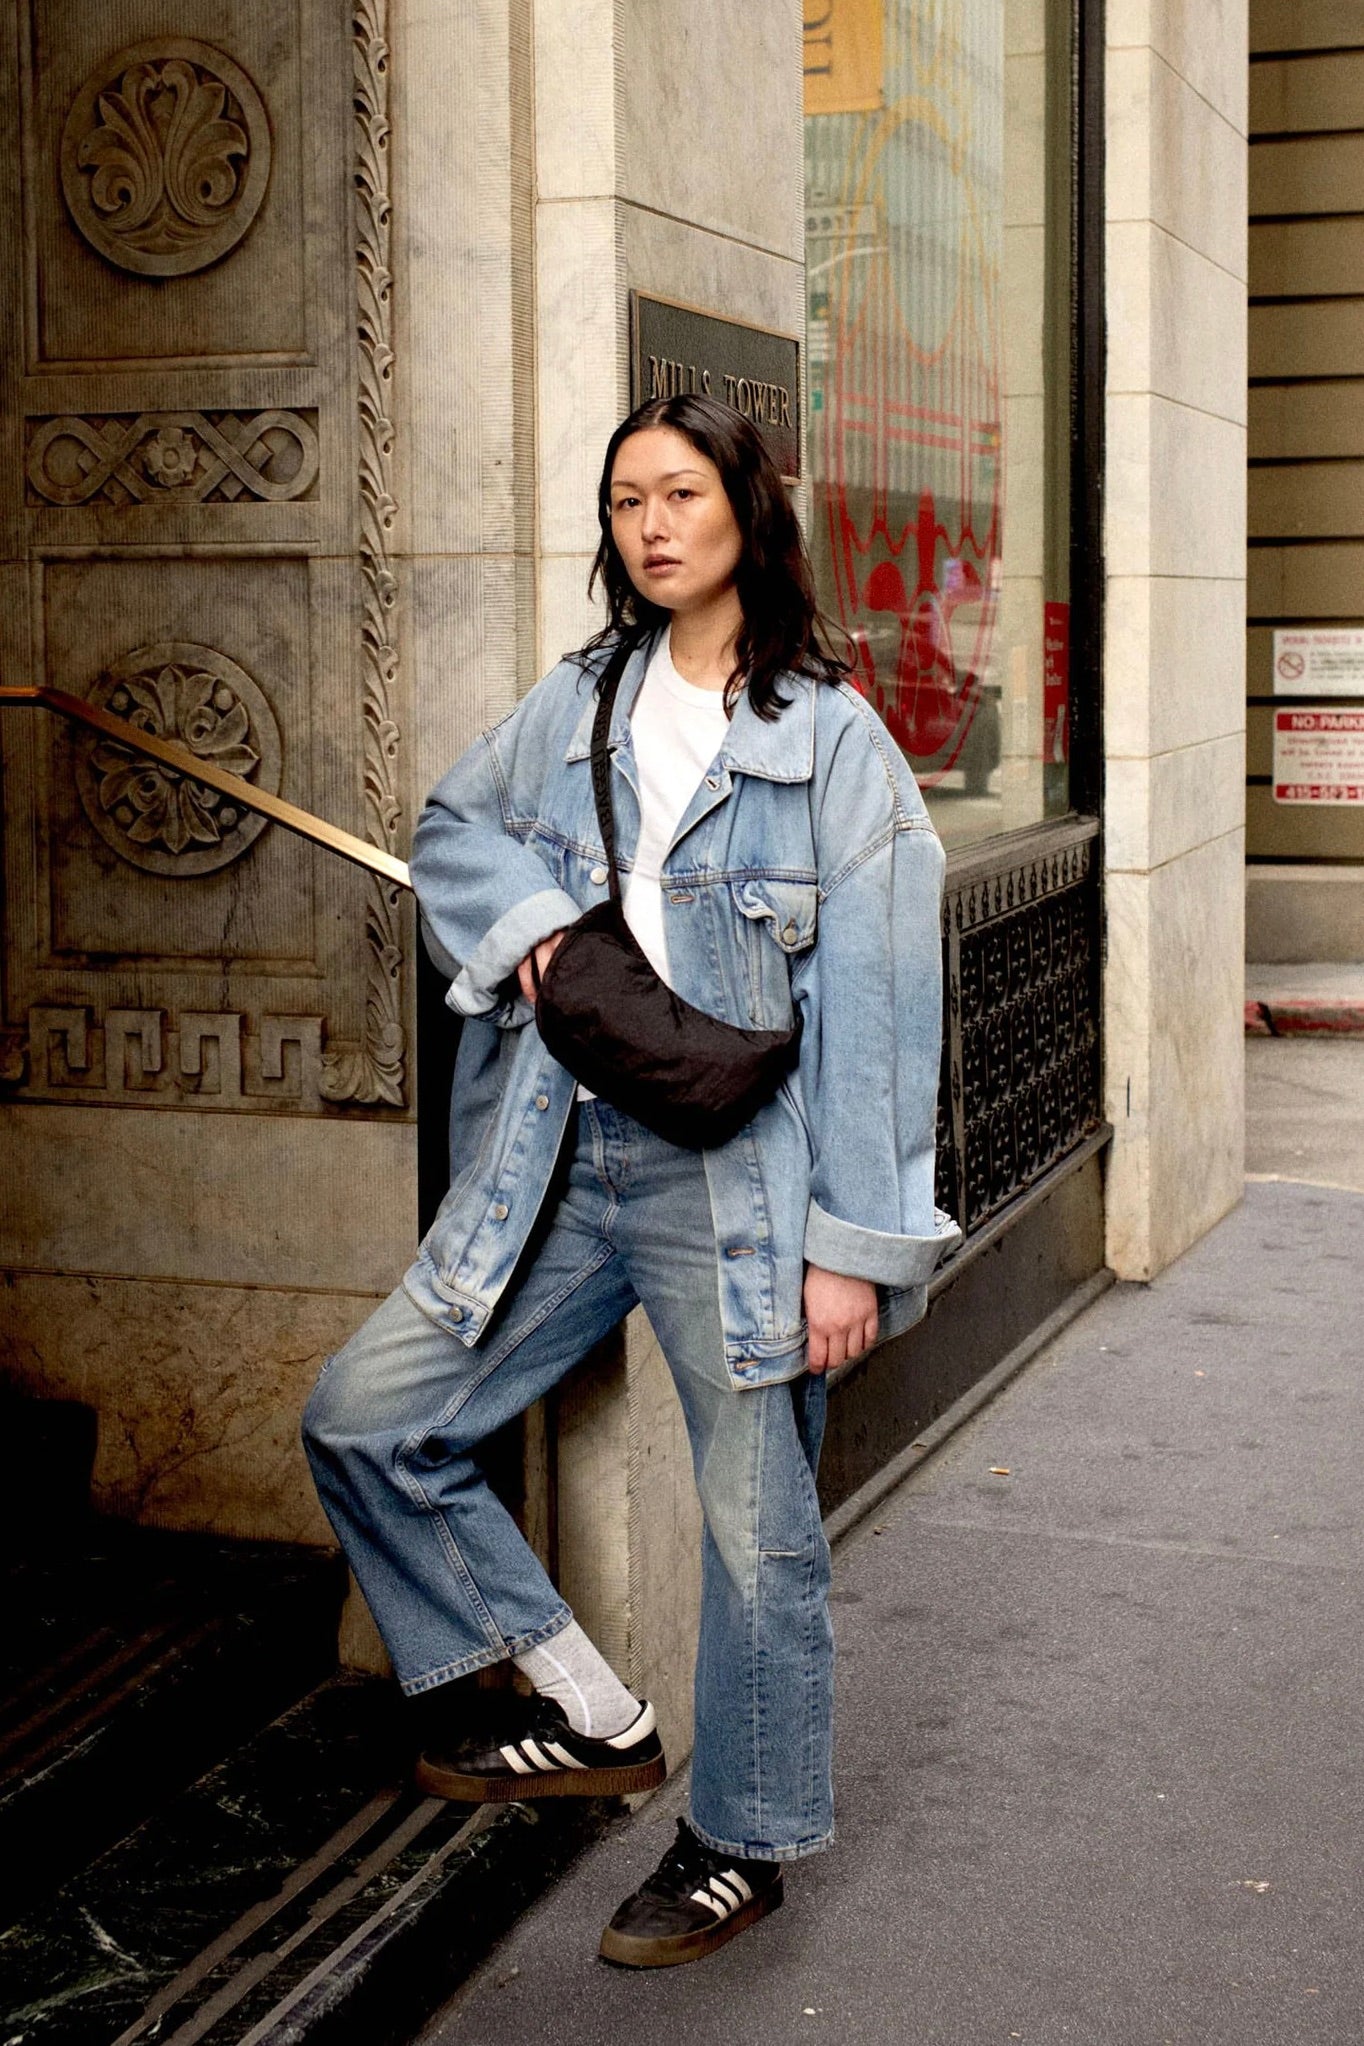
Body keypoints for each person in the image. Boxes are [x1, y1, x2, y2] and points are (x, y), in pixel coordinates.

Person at [302, 393, 958, 1969]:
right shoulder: (584, 698)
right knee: (369, 1414)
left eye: (679, 493)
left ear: (746, 509)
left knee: (756, 1532)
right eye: (622, 503)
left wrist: (850, 1251)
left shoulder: (833, 744)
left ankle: (740, 1838)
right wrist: (532, 924)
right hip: (560, 1151)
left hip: (739, 1183)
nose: (649, 526)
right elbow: (450, 824)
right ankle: (591, 1712)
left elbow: (877, 1016)